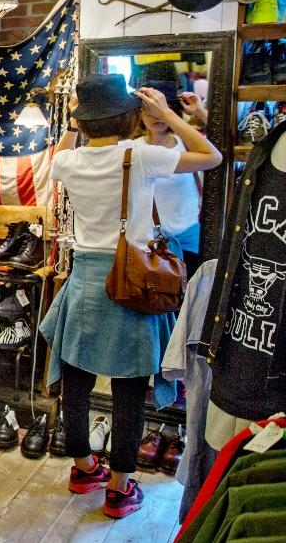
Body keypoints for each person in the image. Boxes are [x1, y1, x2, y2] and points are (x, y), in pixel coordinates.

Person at [42, 74, 221, 519]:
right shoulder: (140, 155)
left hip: (85, 279)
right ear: (127, 115)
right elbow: (211, 157)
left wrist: (73, 123)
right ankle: (120, 488)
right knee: (128, 389)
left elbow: (61, 152)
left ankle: (84, 468)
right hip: (132, 280)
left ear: (84, 121)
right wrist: (169, 118)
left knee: (77, 381)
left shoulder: (70, 162)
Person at [135, 82, 203, 277]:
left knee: (192, 297)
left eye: (163, 111)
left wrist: (200, 111)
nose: (157, 117)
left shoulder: (187, 144)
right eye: (149, 111)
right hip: (148, 240)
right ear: (139, 113)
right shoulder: (132, 148)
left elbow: (222, 150)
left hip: (189, 235)